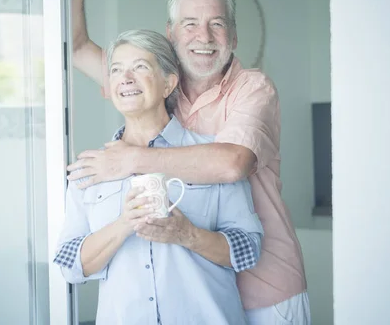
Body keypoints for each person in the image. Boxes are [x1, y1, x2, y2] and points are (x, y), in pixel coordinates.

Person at [64, 0, 311, 324]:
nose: (204, 36)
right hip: (195, 290)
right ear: (171, 34)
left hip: (266, 285)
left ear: (233, 34)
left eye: (217, 24)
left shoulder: (252, 87)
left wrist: (129, 161)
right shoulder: (157, 86)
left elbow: (233, 163)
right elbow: (78, 49)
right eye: (190, 24)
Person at [54, 29, 263, 325]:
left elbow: (248, 250)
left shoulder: (210, 156)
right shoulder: (89, 170)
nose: (125, 78)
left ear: (168, 83)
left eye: (140, 67)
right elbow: (70, 266)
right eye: (116, 70)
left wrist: (187, 235)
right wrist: (124, 224)